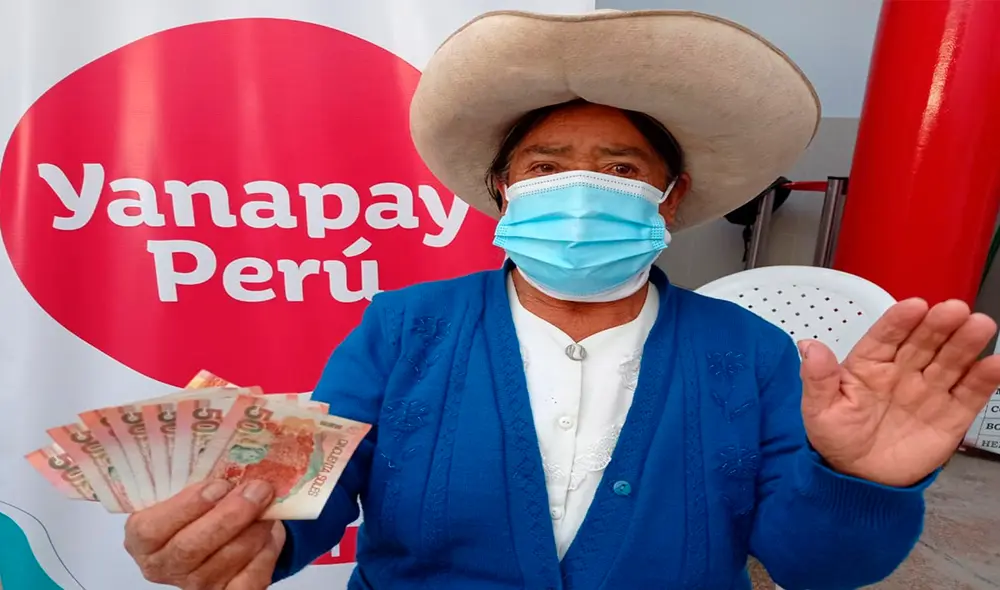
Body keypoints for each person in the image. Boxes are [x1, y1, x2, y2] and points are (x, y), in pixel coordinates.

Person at [122, 9, 1000, 590]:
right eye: (545, 167)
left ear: (669, 198)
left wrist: (859, 481)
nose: (582, 189)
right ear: (504, 193)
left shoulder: (750, 351)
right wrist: (247, 538)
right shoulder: (402, 327)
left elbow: (818, 566)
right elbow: (312, 491)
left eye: (621, 168)